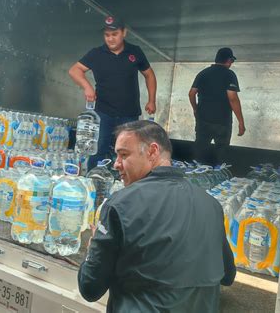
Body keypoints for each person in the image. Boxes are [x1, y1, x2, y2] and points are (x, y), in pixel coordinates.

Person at [78, 120, 236, 312]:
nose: (116, 164)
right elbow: (228, 276)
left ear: (152, 151)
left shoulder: (121, 204)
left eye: (124, 155)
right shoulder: (210, 204)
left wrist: (93, 246)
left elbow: (89, 288)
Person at [69, 16, 157, 170]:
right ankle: (94, 181)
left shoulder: (135, 52)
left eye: (114, 34)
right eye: (107, 35)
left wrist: (152, 100)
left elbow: (149, 74)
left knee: (128, 151)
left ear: (124, 33)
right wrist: (87, 86)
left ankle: (125, 184)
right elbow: (74, 70)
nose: (110, 39)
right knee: (98, 149)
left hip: (129, 114)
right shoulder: (96, 53)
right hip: (103, 112)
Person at [188, 47, 245, 165]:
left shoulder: (203, 73)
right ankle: (220, 178)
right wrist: (241, 122)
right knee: (222, 155)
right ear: (229, 60)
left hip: (203, 119)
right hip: (222, 122)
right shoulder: (229, 75)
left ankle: (197, 175)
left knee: (200, 152)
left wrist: (195, 109)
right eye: (232, 61)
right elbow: (233, 98)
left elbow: (192, 93)